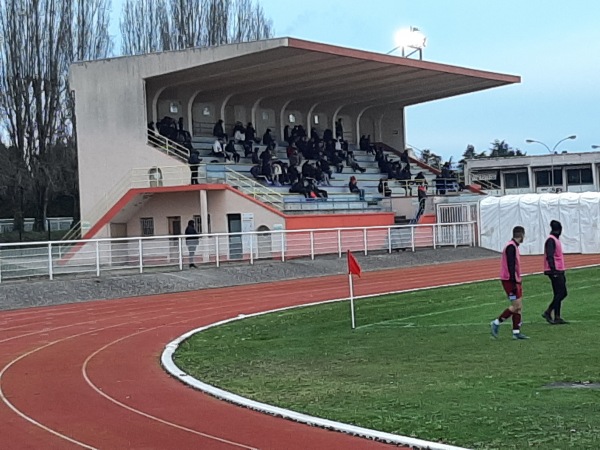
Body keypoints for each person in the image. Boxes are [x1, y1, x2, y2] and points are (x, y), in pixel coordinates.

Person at [491, 226, 529, 340]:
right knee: (516, 305)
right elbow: (511, 266)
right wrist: (513, 283)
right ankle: (496, 322)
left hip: (515, 279)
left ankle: (516, 332)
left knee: (519, 306)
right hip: (509, 280)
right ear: (521, 235)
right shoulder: (511, 247)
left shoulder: (514, 246)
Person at [542, 220, 568, 325]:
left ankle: (557, 316)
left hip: (559, 269)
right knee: (562, 293)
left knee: (558, 293)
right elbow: (550, 255)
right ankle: (548, 311)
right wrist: (553, 270)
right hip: (554, 270)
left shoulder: (555, 240)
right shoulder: (551, 240)